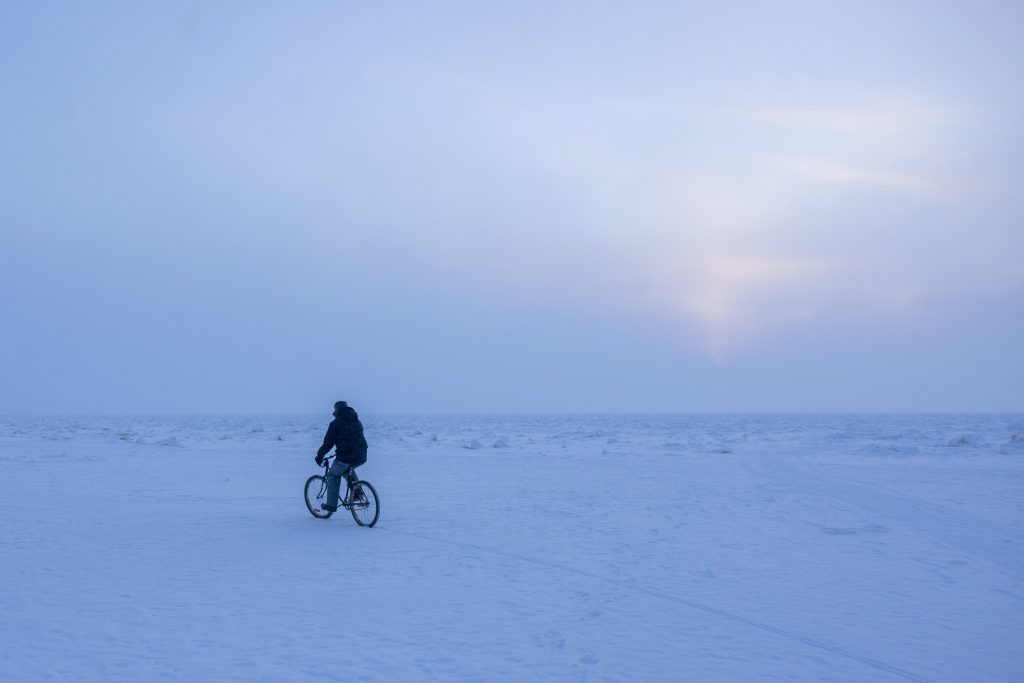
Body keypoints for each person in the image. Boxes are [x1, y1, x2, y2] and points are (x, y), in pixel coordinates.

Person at [315, 400, 368, 512]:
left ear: (336, 410)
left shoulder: (335, 423)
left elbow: (328, 444)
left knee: (333, 475)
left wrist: (319, 456)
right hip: (361, 455)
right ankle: (358, 494)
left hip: (346, 456)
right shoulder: (356, 420)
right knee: (346, 469)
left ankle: (331, 505)